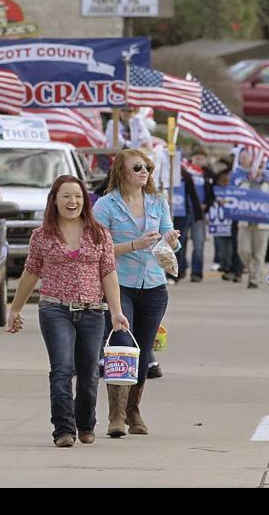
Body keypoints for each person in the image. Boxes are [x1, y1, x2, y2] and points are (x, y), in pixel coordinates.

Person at [7, 176, 129, 448]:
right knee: (61, 369)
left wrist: (116, 311)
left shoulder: (99, 234)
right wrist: (15, 309)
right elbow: (31, 272)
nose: (72, 201)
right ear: (55, 200)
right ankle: (63, 429)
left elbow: (108, 273)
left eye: (77, 196)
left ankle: (85, 424)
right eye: (65, 196)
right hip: (54, 309)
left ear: (84, 201)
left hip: (92, 311)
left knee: (89, 372)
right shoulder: (42, 235)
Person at [94, 149, 181, 438]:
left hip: (154, 284)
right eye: (138, 167)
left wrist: (170, 240)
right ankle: (115, 414)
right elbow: (97, 250)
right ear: (121, 172)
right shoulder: (105, 206)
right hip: (119, 284)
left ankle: (133, 409)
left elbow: (169, 243)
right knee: (121, 345)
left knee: (143, 352)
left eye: (148, 168)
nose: (145, 172)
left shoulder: (157, 202)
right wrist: (134, 245)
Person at [174, 150, 215, 283]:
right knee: (182, 242)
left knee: (198, 243)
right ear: (191, 158)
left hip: (199, 212)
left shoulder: (207, 174)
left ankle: (196, 272)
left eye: (201, 158)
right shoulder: (184, 172)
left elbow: (212, 193)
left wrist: (206, 205)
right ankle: (181, 268)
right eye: (196, 158)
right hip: (184, 211)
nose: (199, 160)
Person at [237, 169, 269, 289]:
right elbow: (235, 198)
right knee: (243, 250)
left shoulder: (267, 184)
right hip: (245, 222)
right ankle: (254, 270)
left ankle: (254, 279)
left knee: (259, 252)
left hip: (263, 223)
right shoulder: (243, 183)